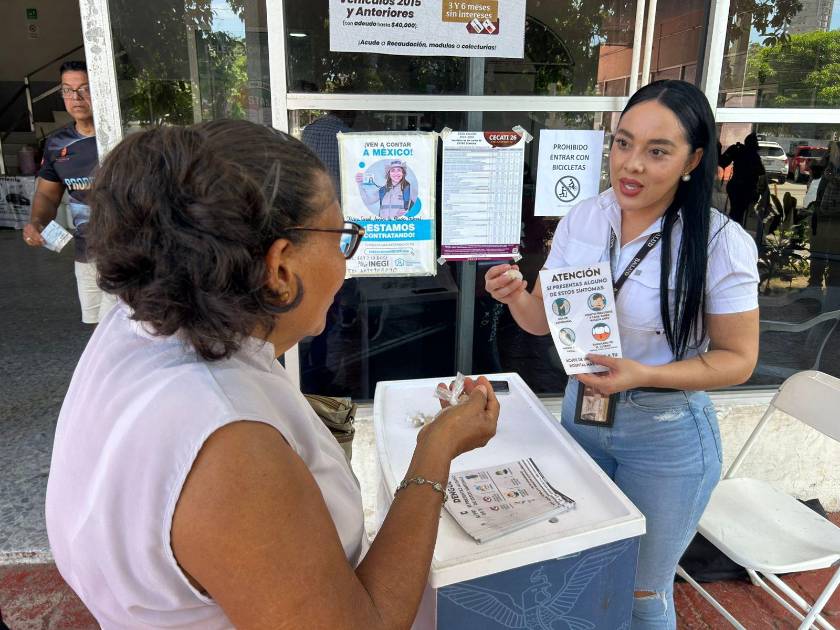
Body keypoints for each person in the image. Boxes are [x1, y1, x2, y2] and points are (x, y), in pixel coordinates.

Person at [45, 120, 500, 628]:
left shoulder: (139, 322)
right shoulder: (229, 446)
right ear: (280, 269)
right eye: (341, 238)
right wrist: (436, 450)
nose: (346, 264)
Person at [484, 80, 759, 628]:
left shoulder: (720, 243)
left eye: (658, 151)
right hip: (583, 416)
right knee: (585, 570)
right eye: (623, 143)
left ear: (693, 160)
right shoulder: (584, 219)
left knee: (640, 591)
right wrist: (515, 295)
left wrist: (642, 374)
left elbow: (738, 359)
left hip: (667, 437)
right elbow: (541, 322)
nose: (631, 165)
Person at [22, 60, 116, 324]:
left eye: (84, 89)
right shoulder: (57, 144)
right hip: (86, 255)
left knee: (119, 329)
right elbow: (47, 195)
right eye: (68, 90)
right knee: (97, 326)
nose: (76, 97)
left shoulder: (119, 137)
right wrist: (37, 222)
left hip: (126, 253)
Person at [718, 132, 765, 227]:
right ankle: (732, 229)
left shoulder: (739, 150)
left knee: (736, 212)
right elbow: (761, 172)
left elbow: (722, 162)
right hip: (743, 189)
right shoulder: (752, 155)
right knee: (737, 213)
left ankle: (731, 228)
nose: (757, 144)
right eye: (756, 142)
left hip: (737, 187)